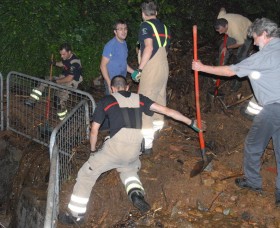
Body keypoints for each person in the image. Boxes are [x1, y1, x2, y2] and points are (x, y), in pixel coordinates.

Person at [58, 75, 205, 225]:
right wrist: (191, 122)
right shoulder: (140, 99)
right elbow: (167, 111)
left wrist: (93, 150)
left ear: (112, 88)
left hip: (115, 148)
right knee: (128, 169)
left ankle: (75, 216)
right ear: (127, 87)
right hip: (135, 148)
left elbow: (94, 130)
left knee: (86, 174)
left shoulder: (106, 101)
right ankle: (136, 192)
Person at [192, 18, 280, 206]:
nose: (254, 43)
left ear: (265, 34)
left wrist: (201, 67)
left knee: (253, 144)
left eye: (256, 38)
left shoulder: (263, 56)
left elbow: (231, 71)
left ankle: (253, 182)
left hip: (274, 108)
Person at [131, 0, 171, 155]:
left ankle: (146, 145)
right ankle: (157, 131)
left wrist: (140, 69)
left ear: (143, 13)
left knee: (145, 103)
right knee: (159, 98)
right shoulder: (164, 27)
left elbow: (149, 47)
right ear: (157, 12)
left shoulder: (145, 26)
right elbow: (165, 49)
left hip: (152, 67)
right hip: (164, 65)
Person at [24, 43, 83, 120]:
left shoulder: (75, 63)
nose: (61, 56)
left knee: (58, 101)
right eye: (61, 54)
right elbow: (62, 63)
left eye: (63, 54)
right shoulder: (66, 57)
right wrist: (54, 63)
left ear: (69, 52)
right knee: (43, 81)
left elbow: (69, 78)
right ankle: (31, 101)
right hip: (63, 77)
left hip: (70, 82)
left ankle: (65, 120)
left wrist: (56, 81)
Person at [214, 7, 252, 91]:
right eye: (218, 31)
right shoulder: (220, 18)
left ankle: (237, 82)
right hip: (232, 32)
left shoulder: (235, 30)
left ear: (226, 26)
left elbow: (240, 42)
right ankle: (220, 70)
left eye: (221, 31)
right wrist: (225, 48)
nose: (220, 33)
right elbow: (223, 9)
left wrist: (227, 47)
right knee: (222, 49)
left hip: (246, 33)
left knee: (240, 58)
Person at [100, 19, 134, 95]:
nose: (124, 31)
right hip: (112, 81)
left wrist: (134, 72)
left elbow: (123, 63)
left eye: (125, 29)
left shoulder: (124, 44)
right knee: (112, 105)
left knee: (121, 103)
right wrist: (109, 84)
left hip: (122, 81)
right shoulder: (110, 46)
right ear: (115, 32)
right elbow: (103, 66)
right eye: (120, 29)